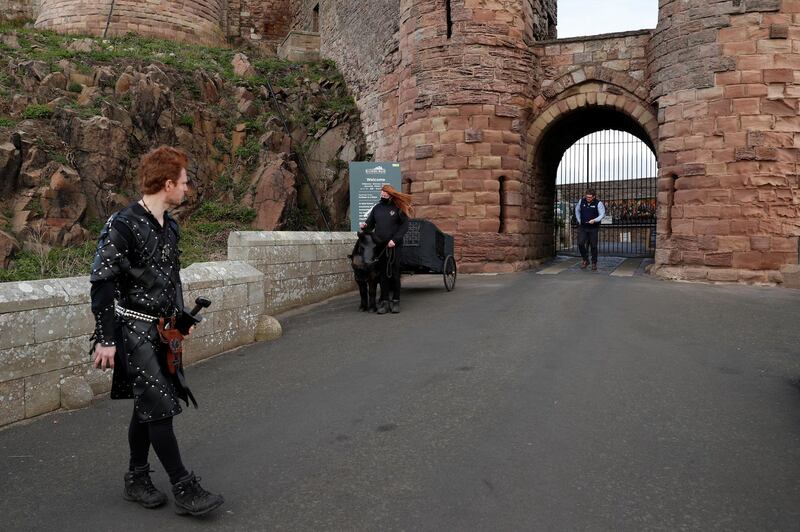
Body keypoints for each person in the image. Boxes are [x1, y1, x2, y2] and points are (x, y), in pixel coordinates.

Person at [89, 146, 224, 516]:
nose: (187, 187)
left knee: (148, 406)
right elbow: (101, 283)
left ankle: (136, 477)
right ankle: (184, 486)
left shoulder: (170, 226)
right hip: (132, 329)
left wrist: (180, 319)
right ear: (168, 184)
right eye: (184, 181)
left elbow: (170, 278)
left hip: (163, 332)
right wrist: (105, 339)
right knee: (160, 408)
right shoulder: (123, 224)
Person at [361, 184, 411, 314]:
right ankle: (384, 301)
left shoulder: (398, 208)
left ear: (390, 194)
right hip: (380, 246)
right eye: (381, 194)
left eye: (385, 194)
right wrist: (365, 225)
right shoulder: (377, 208)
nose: (382, 196)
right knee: (383, 275)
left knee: (394, 274)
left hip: (394, 246)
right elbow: (370, 224)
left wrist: (394, 240)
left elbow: (404, 226)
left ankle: (395, 301)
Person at [574, 188, 606, 270]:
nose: (588, 198)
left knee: (593, 246)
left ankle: (594, 262)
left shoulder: (598, 203)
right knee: (580, 243)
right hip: (583, 227)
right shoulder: (581, 201)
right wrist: (579, 219)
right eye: (587, 197)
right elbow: (577, 210)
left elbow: (602, 214)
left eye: (590, 197)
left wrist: (594, 220)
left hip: (593, 228)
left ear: (594, 197)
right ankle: (585, 259)